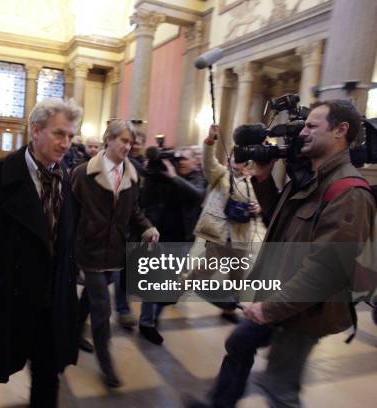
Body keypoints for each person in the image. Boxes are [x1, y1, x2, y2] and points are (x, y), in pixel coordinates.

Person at [189, 100, 375, 408]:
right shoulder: (311, 177)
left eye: (312, 126)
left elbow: (326, 272)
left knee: (280, 388)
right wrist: (263, 178)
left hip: (306, 312)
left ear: (341, 131)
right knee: (239, 341)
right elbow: (277, 219)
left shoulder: (348, 192)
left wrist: (269, 310)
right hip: (283, 295)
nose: (303, 133)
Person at [0, 98, 83, 407]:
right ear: (36, 131)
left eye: (70, 136)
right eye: (59, 134)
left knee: (49, 376)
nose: (66, 143)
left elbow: (65, 241)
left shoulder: (66, 179)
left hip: (52, 303)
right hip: (9, 300)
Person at [72, 119, 160, 388]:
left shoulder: (132, 176)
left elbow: (133, 210)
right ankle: (106, 363)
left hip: (115, 250)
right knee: (101, 306)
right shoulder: (82, 173)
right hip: (89, 250)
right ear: (108, 139)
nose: (127, 146)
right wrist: (67, 252)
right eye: (122, 140)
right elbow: (70, 214)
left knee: (90, 297)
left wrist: (147, 228)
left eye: (130, 142)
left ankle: (73, 332)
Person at [188, 124, 267, 323]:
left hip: (241, 236)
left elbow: (262, 201)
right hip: (218, 234)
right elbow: (207, 162)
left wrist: (259, 208)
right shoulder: (220, 174)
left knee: (237, 277)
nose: (236, 160)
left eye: (240, 158)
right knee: (201, 272)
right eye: (233, 156)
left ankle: (230, 310)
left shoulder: (253, 181)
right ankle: (175, 290)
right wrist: (210, 139)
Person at [138, 148, 207, 344]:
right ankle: (147, 323)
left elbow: (197, 195)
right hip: (160, 236)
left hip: (182, 239)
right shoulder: (164, 177)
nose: (181, 162)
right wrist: (151, 173)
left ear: (195, 162)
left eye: (185, 159)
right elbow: (145, 199)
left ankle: (154, 316)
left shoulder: (198, 178)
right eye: (179, 159)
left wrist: (174, 177)